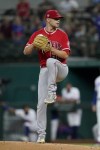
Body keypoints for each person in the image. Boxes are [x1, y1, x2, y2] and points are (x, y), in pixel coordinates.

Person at [23, 9, 70, 143]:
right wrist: (33, 45)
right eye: (56, 18)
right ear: (48, 19)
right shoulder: (38, 34)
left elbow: (65, 55)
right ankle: (41, 135)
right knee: (40, 104)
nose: (58, 20)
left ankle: (52, 90)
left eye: (59, 18)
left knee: (51, 61)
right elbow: (25, 52)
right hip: (45, 70)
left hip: (61, 68)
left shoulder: (62, 35)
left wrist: (52, 49)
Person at [92, 75, 100, 143]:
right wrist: (94, 103)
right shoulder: (97, 79)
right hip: (98, 101)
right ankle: (99, 139)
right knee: (99, 120)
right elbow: (95, 92)